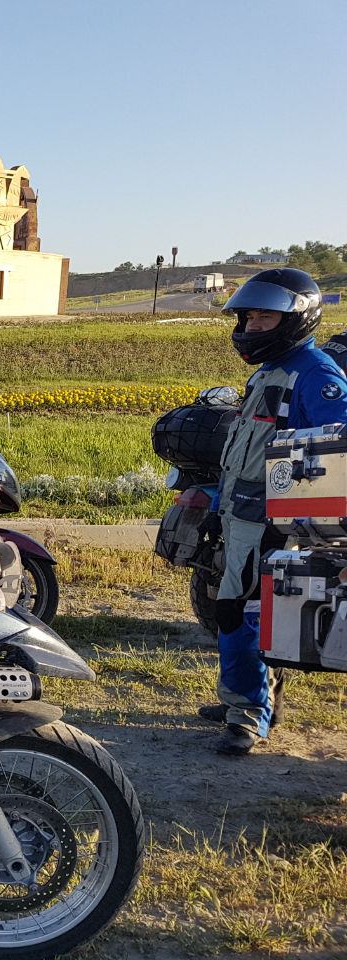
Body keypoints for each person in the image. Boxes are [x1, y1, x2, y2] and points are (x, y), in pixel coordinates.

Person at [201, 268, 347, 755]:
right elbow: (244, 450)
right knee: (238, 611)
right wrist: (217, 506)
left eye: (264, 318)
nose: (251, 327)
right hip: (241, 514)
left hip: (274, 522)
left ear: (296, 319)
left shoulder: (316, 375)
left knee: (243, 614)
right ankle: (242, 697)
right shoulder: (267, 372)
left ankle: (248, 715)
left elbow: (336, 451)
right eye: (248, 317)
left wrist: (293, 520)